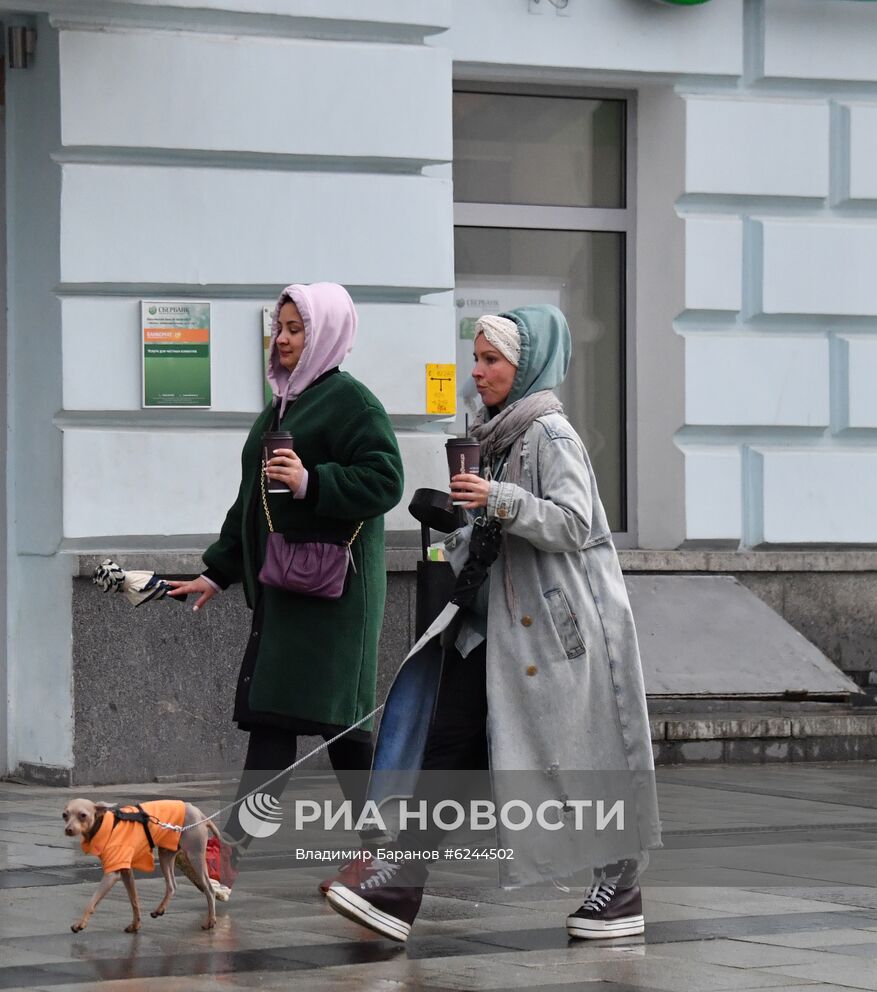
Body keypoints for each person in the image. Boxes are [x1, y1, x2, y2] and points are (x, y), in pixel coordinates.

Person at [324, 305, 660, 943]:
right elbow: (501, 536)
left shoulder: (550, 433)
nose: (477, 372)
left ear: (525, 366)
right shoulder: (498, 435)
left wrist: (499, 499)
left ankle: (620, 883)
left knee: (575, 759)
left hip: (552, 635)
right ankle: (400, 885)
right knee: (448, 745)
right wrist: (461, 526)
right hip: (493, 627)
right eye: (475, 358)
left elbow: (576, 523)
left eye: (491, 360)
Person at [167, 282, 404, 899]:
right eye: (281, 327)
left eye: (297, 329)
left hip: (336, 598)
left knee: (339, 725)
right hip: (287, 588)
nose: (283, 339)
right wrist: (218, 570)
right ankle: (241, 854)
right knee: (281, 717)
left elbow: (386, 481)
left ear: (326, 333)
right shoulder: (282, 406)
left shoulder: (352, 402)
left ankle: (372, 855)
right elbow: (251, 501)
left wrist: (311, 481)